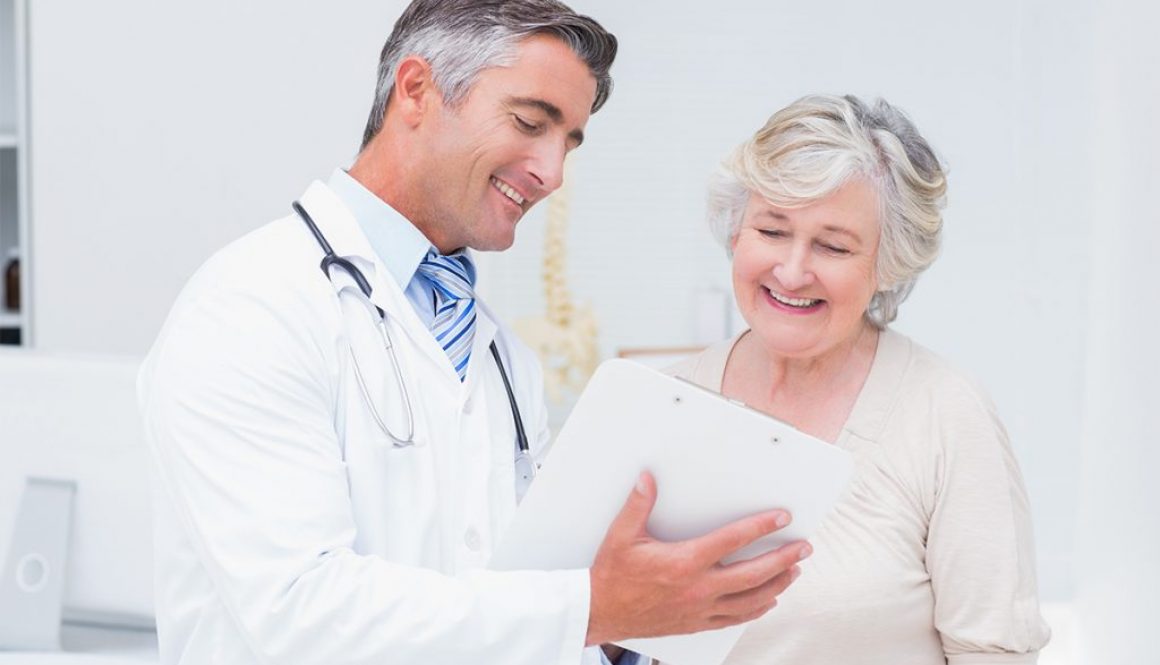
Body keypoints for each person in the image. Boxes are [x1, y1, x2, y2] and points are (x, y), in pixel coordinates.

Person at [137, 2, 810, 664]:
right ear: (417, 90)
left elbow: (508, 611)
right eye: (529, 122)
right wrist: (592, 607)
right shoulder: (252, 304)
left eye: (569, 142)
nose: (551, 172)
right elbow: (298, 610)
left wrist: (630, 625)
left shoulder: (501, 360)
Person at [669, 94, 1052, 664]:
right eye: (772, 231)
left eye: (832, 245)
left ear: (887, 265)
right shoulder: (672, 397)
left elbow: (993, 652)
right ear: (735, 232)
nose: (793, 271)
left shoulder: (945, 414)